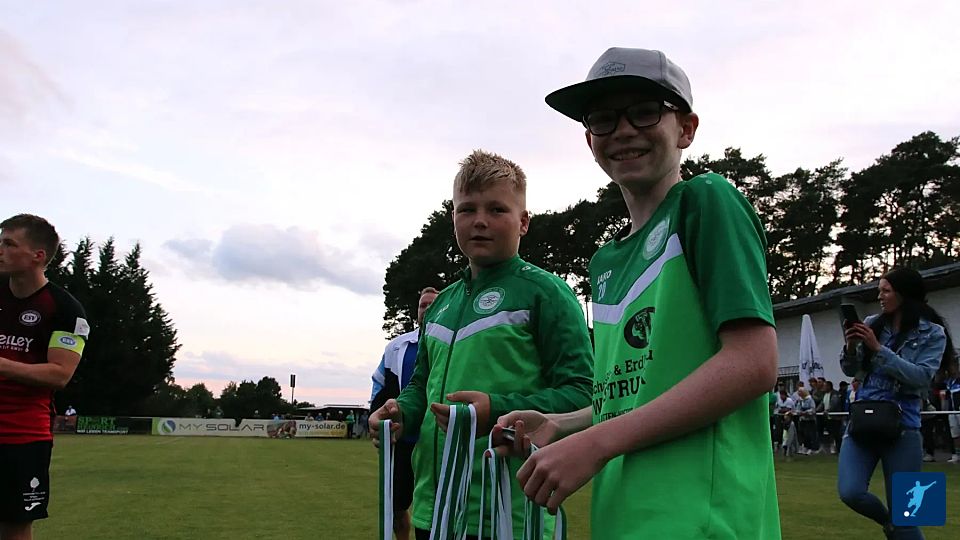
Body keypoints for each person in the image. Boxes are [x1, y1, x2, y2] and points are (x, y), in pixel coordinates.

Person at [493, 48, 780, 538]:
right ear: (590, 140)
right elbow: (632, 395)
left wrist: (597, 443)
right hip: (623, 515)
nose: (623, 130)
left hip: (702, 520)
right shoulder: (605, 262)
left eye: (645, 112)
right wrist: (564, 425)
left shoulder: (706, 200)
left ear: (686, 129)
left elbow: (753, 363)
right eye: (603, 119)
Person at [369, 149, 595, 539]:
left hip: (509, 512)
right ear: (453, 218)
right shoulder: (442, 304)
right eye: (467, 209)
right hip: (434, 509)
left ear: (523, 222)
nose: (480, 221)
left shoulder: (547, 293)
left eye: (497, 209)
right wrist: (400, 412)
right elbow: (421, 386)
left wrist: (497, 409)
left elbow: (582, 394)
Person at [838, 267, 954, 540]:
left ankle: (900, 525)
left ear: (904, 294)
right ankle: (890, 523)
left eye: (885, 291)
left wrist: (879, 349)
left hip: (906, 427)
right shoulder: (872, 323)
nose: (879, 296)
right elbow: (850, 371)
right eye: (879, 290)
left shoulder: (934, 333)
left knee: (912, 517)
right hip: (863, 421)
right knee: (850, 492)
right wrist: (851, 347)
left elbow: (921, 377)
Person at [0, 214, 90, 540]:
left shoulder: (65, 309)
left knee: (14, 525)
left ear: (37, 255)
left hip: (21, 436)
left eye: (9, 244)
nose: (0, 250)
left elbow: (60, 373)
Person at [369, 287, 438, 540]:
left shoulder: (454, 344)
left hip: (435, 439)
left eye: (432, 304)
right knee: (396, 506)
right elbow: (379, 385)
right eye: (422, 305)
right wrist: (378, 418)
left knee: (434, 507)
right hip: (402, 439)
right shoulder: (397, 347)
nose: (426, 309)